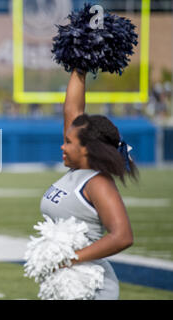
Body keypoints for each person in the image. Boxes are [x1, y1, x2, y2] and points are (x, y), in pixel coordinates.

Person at [40, 69, 137, 299]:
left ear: (87, 148)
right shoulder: (76, 172)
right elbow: (72, 111)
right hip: (65, 281)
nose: (62, 146)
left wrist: (71, 259)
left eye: (68, 142)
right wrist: (80, 65)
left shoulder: (98, 183)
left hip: (91, 285)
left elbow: (123, 236)